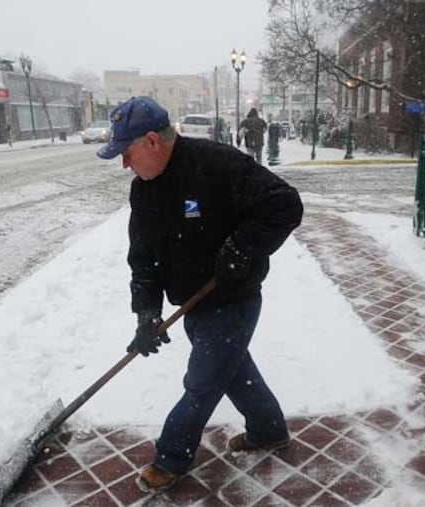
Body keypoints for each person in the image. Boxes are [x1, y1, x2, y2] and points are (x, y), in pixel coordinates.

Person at [96, 96, 303, 493]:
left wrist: (242, 249)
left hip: (232, 301)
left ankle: (171, 455)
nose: (125, 163)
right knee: (233, 370)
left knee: (203, 381)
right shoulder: (144, 191)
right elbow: (142, 258)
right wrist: (146, 313)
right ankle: (268, 429)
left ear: (152, 141)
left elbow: (285, 204)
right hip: (193, 304)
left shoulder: (217, 164)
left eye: (127, 152)